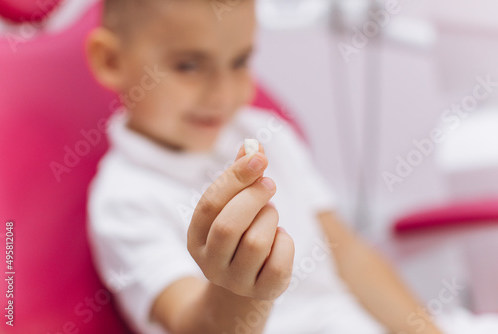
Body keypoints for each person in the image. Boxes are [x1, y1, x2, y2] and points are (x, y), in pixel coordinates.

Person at [86, 0, 498, 333]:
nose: (224, 92)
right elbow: (191, 325)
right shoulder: (124, 199)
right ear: (111, 61)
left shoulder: (267, 133)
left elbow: (349, 255)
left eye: (240, 61)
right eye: (189, 66)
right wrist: (241, 293)